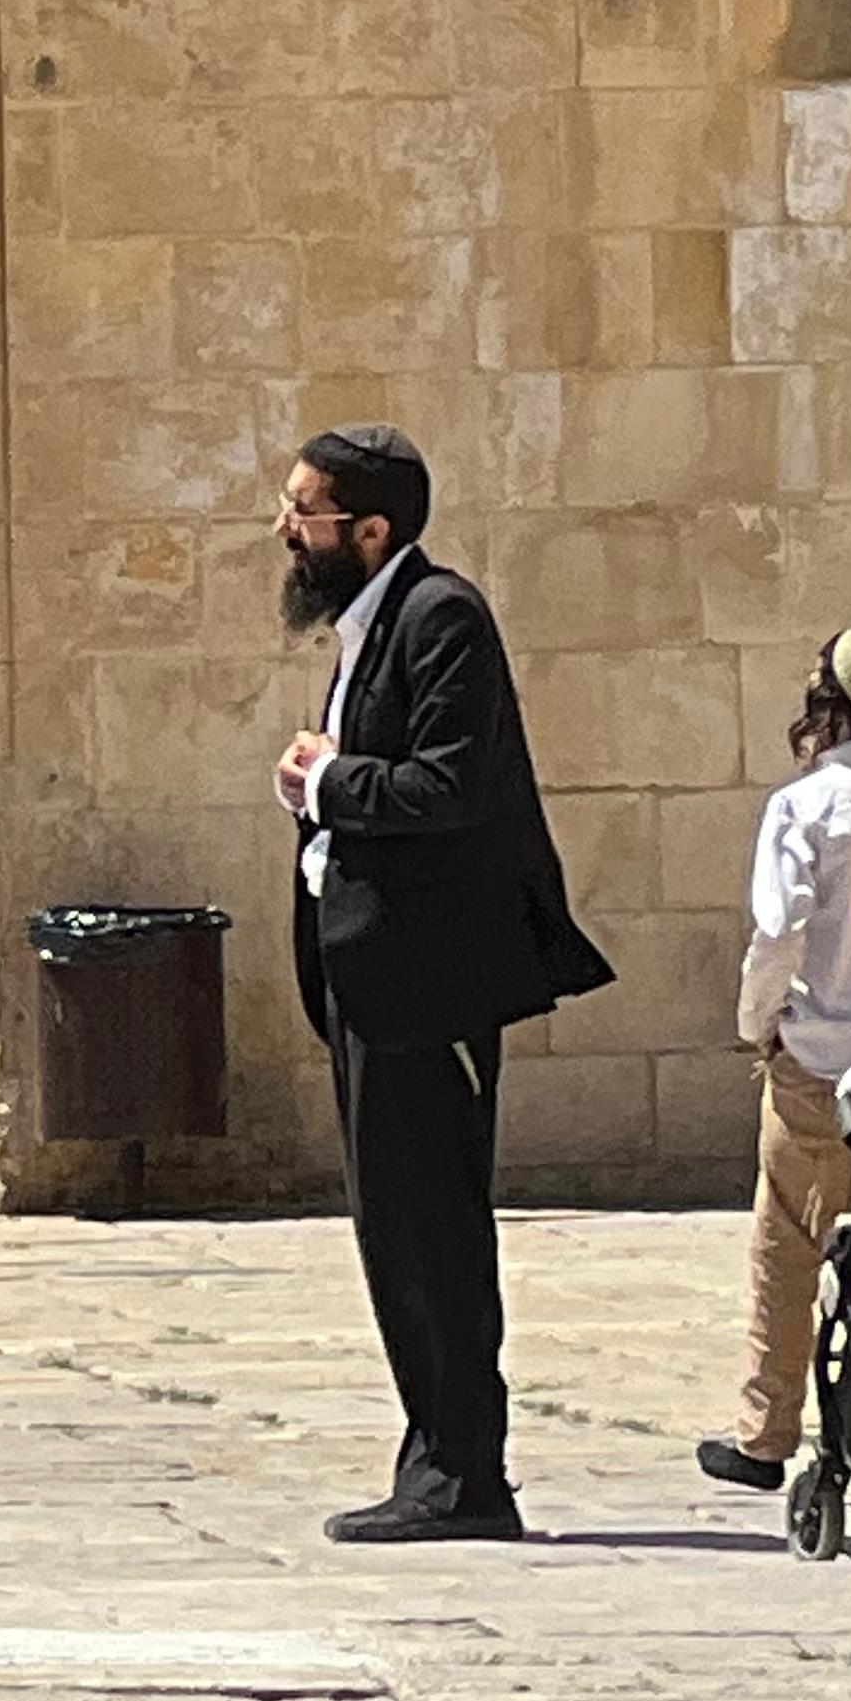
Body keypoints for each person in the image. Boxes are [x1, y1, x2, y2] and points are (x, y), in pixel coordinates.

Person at [272, 427, 613, 1543]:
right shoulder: (373, 626)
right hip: (371, 975)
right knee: (394, 1230)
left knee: (434, 1234)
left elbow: (451, 786)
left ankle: (464, 1476)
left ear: (370, 530)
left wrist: (331, 781)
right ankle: (435, 1461)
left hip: (426, 983)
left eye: (306, 512)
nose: (286, 531)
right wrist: (320, 788)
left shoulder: (439, 617)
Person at [700, 623, 851, 1497]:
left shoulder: (807, 806)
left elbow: (778, 928)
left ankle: (767, 1433)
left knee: (787, 1245)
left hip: (817, 1059)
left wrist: (759, 1024)